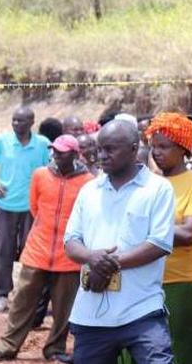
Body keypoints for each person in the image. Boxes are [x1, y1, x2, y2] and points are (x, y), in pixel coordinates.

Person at [63, 120, 175, 363]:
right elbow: (71, 241)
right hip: (92, 314)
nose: (101, 155)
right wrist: (92, 257)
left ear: (134, 149)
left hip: (142, 310)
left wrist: (107, 263)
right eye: (99, 148)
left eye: (110, 149)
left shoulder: (158, 189)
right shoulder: (89, 191)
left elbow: (158, 244)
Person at [0, 135, 93, 363]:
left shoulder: (88, 181)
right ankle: (8, 346)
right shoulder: (40, 175)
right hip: (37, 251)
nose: (56, 155)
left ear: (75, 154)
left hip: (69, 255)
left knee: (64, 308)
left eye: (62, 152)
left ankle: (55, 349)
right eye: (54, 151)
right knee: (21, 303)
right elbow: (34, 207)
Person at [146, 113, 192, 364]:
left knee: (180, 347)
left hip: (178, 282)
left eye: (164, 146)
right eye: (153, 147)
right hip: (142, 281)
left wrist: (144, 228)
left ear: (183, 148)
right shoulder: (147, 184)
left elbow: (189, 234)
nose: (156, 153)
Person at [0, 107, 51, 312]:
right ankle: (1, 294)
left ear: (32, 122)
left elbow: (51, 170)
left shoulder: (42, 145)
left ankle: (28, 295)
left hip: (33, 208)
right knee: (3, 251)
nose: (16, 124)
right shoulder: (2, 142)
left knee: (31, 251)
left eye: (21, 120)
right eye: (14, 120)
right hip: (4, 206)